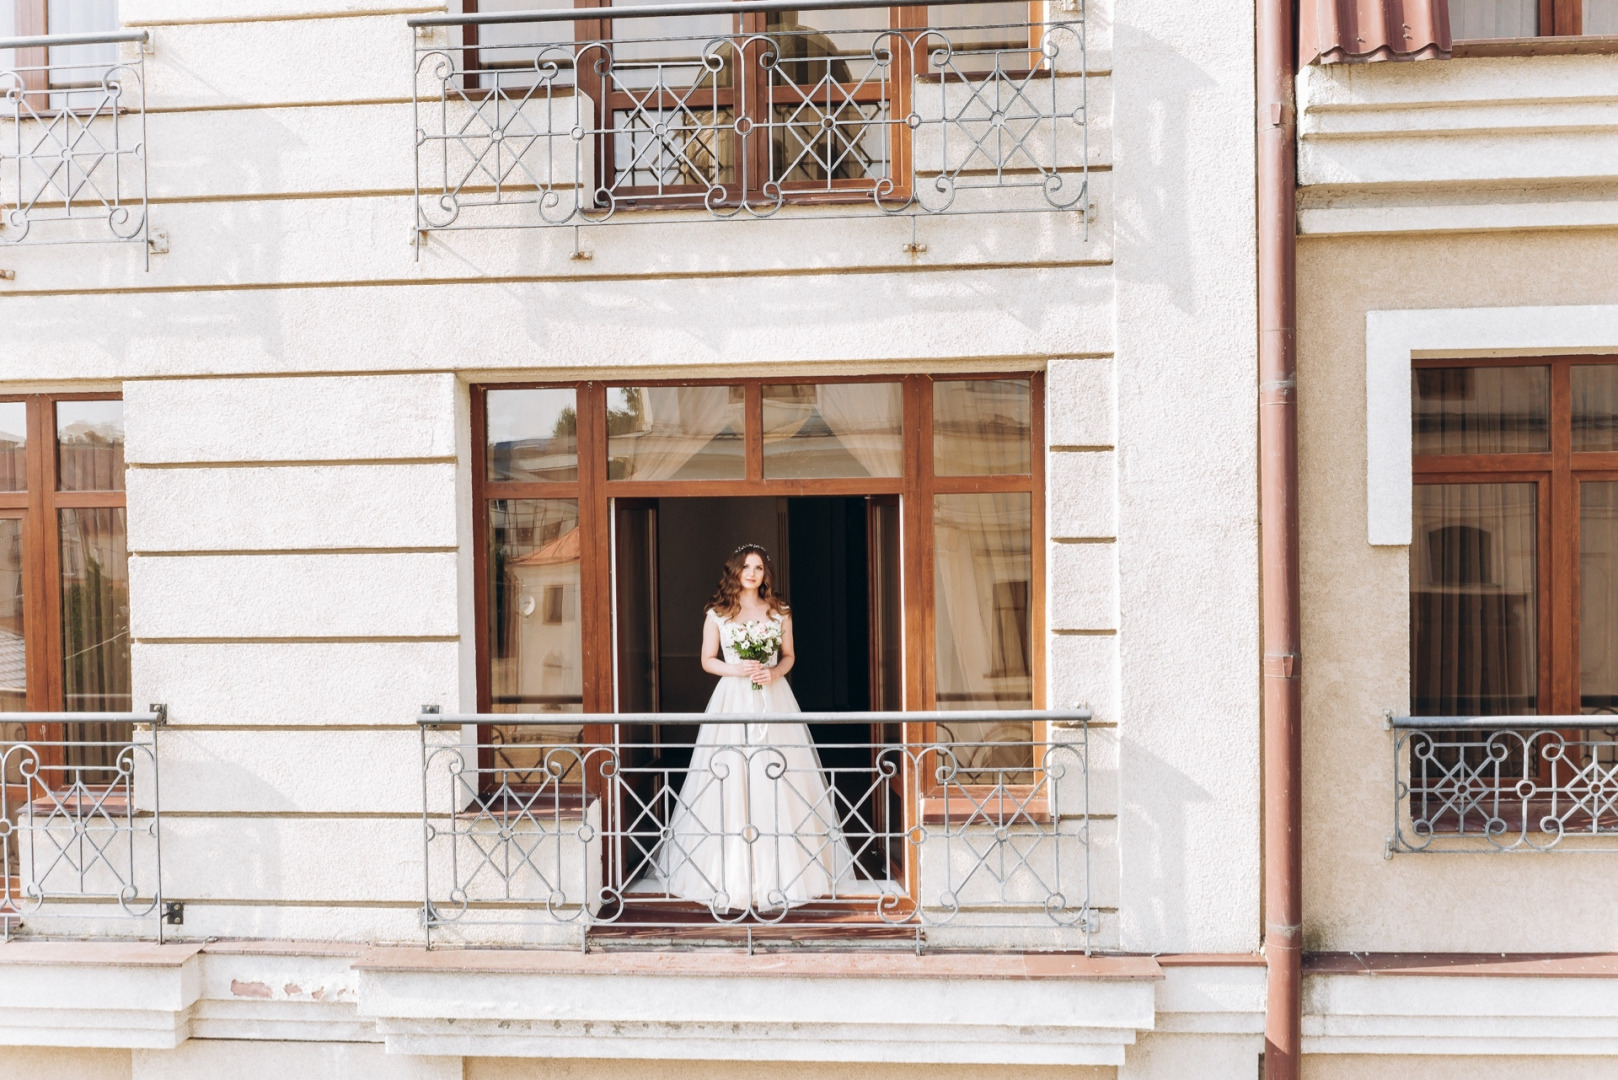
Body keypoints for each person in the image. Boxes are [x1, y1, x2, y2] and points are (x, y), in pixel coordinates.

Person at [655, 544, 856, 913]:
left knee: (779, 777)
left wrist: (772, 672)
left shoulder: (780, 611)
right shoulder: (717, 613)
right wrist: (740, 669)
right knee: (729, 778)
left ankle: (786, 874)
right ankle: (729, 876)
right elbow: (706, 660)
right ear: (734, 571)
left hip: (773, 697)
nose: (752, 572)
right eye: (746, 566)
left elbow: (790, 656)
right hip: (732, 699)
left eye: (759, 567)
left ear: (766, 574)